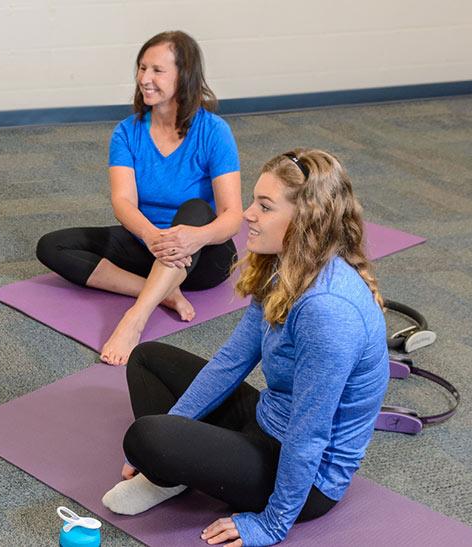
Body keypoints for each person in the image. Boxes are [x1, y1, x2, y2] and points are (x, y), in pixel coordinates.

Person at [100, 149, 389, 546]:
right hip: (268, 420)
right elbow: (232, 360)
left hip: (307, 479)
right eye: (254, 200)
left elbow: (309, 435)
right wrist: (176, 431)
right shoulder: (284, 267)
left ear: (305, 220)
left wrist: (272, 524)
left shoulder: (328, 311)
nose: (247, 213)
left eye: (264, 207)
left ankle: (177, 464)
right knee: (147, 360)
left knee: (144, 437)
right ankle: (174, 470)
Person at [36, 31, 242, 366]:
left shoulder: (214, 131)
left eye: (157, 70)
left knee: (196, 208)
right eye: (141, 68)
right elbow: (123, 203)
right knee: (52, 245)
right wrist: (152, 237)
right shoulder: (127, 132)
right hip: (148, 243)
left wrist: (193, 237)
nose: (145, 78)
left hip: (202, 254)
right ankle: (163, 292)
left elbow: (232, 215)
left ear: (184, 75)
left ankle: (136, 316)